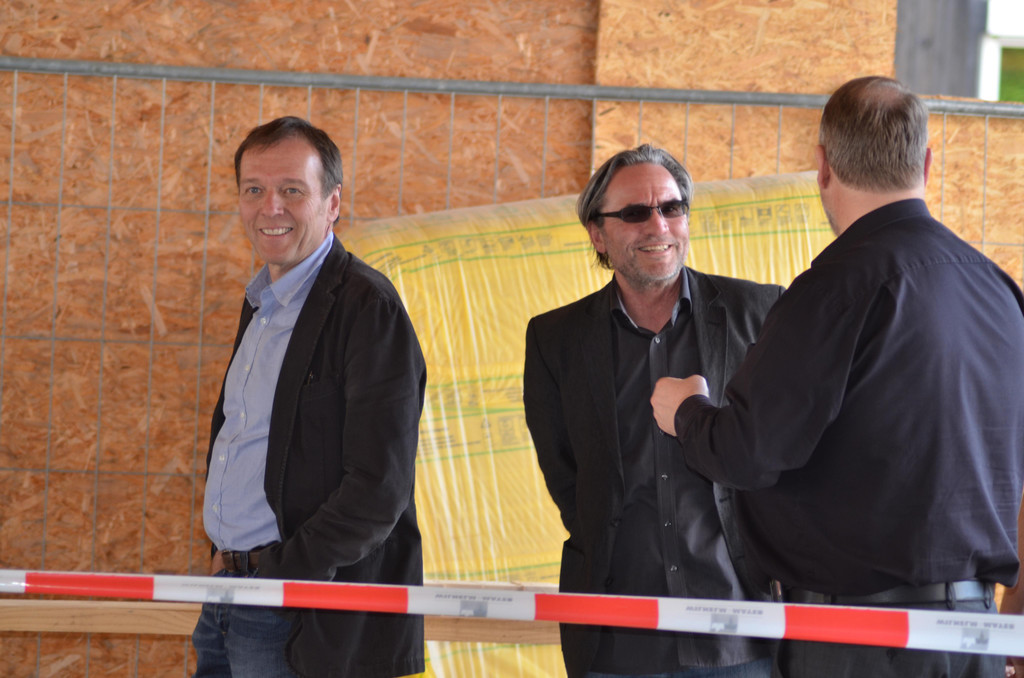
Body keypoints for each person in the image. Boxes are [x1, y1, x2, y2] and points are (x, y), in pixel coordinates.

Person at [651, 76, 1024, 678]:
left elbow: (749, 451)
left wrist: (687, 410)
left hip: (862, 639)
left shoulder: (837, 288)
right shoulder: (999, 291)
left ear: (823, 168)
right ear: (927, 164)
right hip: (975, 633)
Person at [523, 144, 783, 678]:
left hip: (741, 636)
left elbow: (781, 451)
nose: (658, 225)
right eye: (635, 213)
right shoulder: (555, 339)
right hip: (616, 645)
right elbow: (568, 478)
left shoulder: (759, 314)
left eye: (671, 207)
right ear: (598, 234)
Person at [191, 116, 427, 678]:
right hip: (228, 595)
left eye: (292, 190)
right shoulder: (264, 303)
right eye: (254, 190)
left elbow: (378, 490)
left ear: (332, 203)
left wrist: (278, 572)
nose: (269, 207)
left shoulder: (367, 309)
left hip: (300, 613)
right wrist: (231, 561)